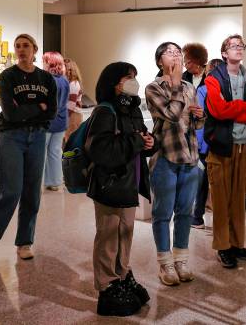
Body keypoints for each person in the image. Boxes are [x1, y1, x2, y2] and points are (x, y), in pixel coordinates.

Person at [0, 33, 57, 260]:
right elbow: (10, 113)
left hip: (38, 136)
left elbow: (52, 110)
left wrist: (27, 109)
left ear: (34, 49)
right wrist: (37, 105)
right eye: (18, 46)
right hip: (11, 136)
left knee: (32, 193)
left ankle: (25, 242)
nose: (21, 50)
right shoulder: (8, 76)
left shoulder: (46, 79)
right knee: (10, 190)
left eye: (26, 45)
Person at [86, 62, 157, 316]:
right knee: (108, 235)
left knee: (125, 231)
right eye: (128, 77)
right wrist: (137, 141)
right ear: (114, 83)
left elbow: (140, 137)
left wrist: (149, 142)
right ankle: (107, 284)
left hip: (129, 182)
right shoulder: (105, 112)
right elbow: (101, 150)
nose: (133, 81)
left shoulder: (132, 108)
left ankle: (122, 273)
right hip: (109, 184)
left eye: (134, 77)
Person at [145, 42, 203, 286]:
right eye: (170, 52)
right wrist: (177, 84)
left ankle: (181, 259)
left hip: (190, 158)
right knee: (162, 213)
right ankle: (165, 263)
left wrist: (200, 117)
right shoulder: (153, 88)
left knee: (185, 213)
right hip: (165, 159)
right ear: (160, 61)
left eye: (178, 52)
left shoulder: (190, 87)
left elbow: (193, 123)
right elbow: (171, 114)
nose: (176, 55)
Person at [204, 34, 246, 268]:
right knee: (220, 199)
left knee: (239, 198)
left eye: (241, 46)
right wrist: (243, 106)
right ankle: (223, 247)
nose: (238, 49)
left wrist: (237, 109)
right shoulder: (213, 78)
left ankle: (237, 243)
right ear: (224, 53)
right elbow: (218, 110)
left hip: (244, 147)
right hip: (221, 148)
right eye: (233, 46)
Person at [191, 58, 223, 230]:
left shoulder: (203, 90)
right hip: (223, 144)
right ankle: (221, 220)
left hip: (205, 146)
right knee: (220, 184)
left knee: (201, 181)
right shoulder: (229, 90)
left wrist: (199, 145)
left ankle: (197, 217)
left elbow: (200, 119)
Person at [42, 51, 70, 191]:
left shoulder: (48, 80)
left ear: (49, 63)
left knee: (42, 152)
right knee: (55, 152)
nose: (43, 64)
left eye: (44, 61)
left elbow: (48, 104)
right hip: (61, 121)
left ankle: (39, 181)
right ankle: (55, 181)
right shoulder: (64, 80)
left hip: (48, 121)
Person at [64, 58, 84, 142]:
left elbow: (71, 104)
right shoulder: (71, 83)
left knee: (70, 140)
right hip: (72, 114)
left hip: (73, 115)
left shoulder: (73, 84)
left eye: (65, 67)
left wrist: (64, 118)